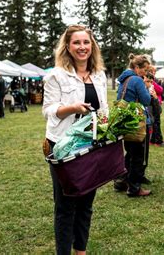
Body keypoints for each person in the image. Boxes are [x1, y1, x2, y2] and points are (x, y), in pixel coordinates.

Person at [42, 24, 108, 254]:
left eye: (86, 42)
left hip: (90, 146)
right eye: (77, 43)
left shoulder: (99, 76)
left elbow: (104, 109)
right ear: (68, 47)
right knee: (65, 206)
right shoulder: (56, 76)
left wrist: (109, 122)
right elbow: (48, 109)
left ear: (92, 46)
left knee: (86, 204)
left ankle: (81, 251)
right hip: (62, 147)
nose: (82, 47)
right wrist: (71, 108)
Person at [114, 53, 152, 197]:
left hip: (125, 121)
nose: (145, 72)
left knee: (129, 153)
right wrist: (147, 88)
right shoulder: (136, 80)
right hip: (135, 122)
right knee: (136, 156)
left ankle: (122, 181)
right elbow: (146, 100)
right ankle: (134, 188)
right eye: (144, 69)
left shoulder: (124, 80)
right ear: (136, 67)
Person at [147, 66, 164, 147]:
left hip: (154, 102)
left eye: (155, 71)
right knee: (156, 122)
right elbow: (160, 90)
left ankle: (153, 140)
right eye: (153, 71)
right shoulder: (151, 81)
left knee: (154, 122)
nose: (154, 73)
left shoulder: (150, 80)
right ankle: (158, 141)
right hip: (153, 103)